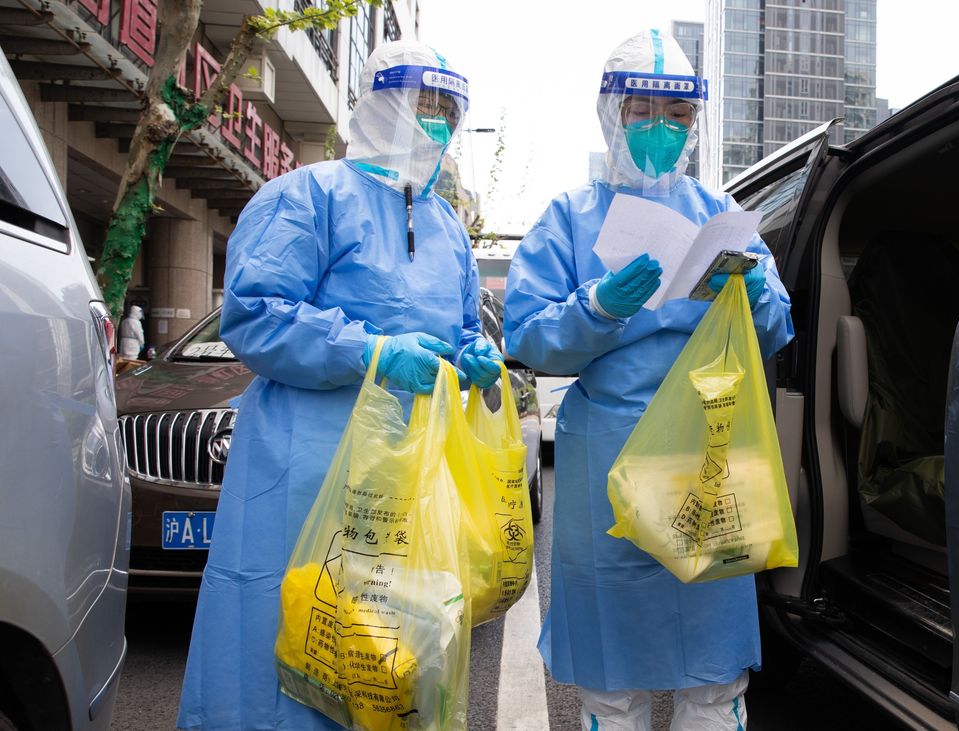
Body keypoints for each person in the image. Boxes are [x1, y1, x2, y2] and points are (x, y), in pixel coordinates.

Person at [176, 40, 501, 730]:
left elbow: (462, 325)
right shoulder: (307, 195)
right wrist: (372, 352)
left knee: (392, 645)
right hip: (305, 467)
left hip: (406, 474)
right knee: (287, 643)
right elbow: (256, 315)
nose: (436, 126)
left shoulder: (445, 225)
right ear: (378, 107)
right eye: (423, 107)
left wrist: (477, 357)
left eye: (448, 112)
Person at [503, 29, 794, 731]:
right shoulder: (568, 218)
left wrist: (753, 289)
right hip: (609, 456)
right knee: (612, 671)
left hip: (709, 453)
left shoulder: (719, 214)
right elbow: (528, 335)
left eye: (679, 116)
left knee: (715, 670)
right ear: (612, 113)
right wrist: (598, 306)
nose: (662, 129)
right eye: (645, 111)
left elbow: (777, 324)